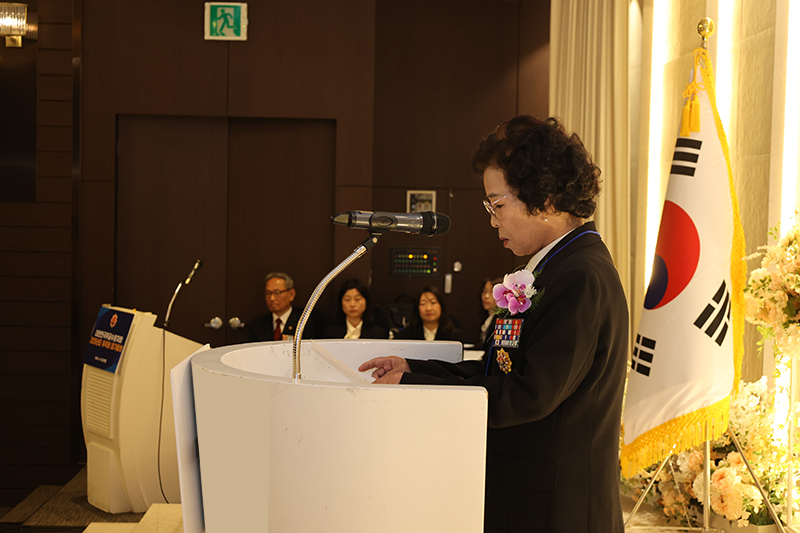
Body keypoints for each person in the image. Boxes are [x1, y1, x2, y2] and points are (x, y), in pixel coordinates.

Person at [359, 116, 629, 532]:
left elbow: (529, 395)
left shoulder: (580, 275)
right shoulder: (554, 267)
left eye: (497, 206)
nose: (492, 221)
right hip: (529, 495)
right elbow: (501, 371)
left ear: (545, 199)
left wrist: (416, 386)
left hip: (557, 508)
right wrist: (414, 369)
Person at [247, 272, 322, 342]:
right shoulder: (257, 325)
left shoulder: (305, 322)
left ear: (291, 294)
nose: (272, 298)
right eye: (268, 293)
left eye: (277, 293)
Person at [322, 278, 389, 339]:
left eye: (357, 299)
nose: (352, 304)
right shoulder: (330, 332)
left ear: (366, 301)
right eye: (347, 299)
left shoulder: (378, 332)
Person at [394, 286, 463, 342]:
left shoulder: (453, 336)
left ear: (441, 306)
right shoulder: (406, 335)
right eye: (423, 304)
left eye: (433, 302)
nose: (428, 308)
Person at [478, 277, 503, 346]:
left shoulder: (501, 321)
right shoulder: (485, 318)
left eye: (492, 292)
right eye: (484, 291)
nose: (486, 296)